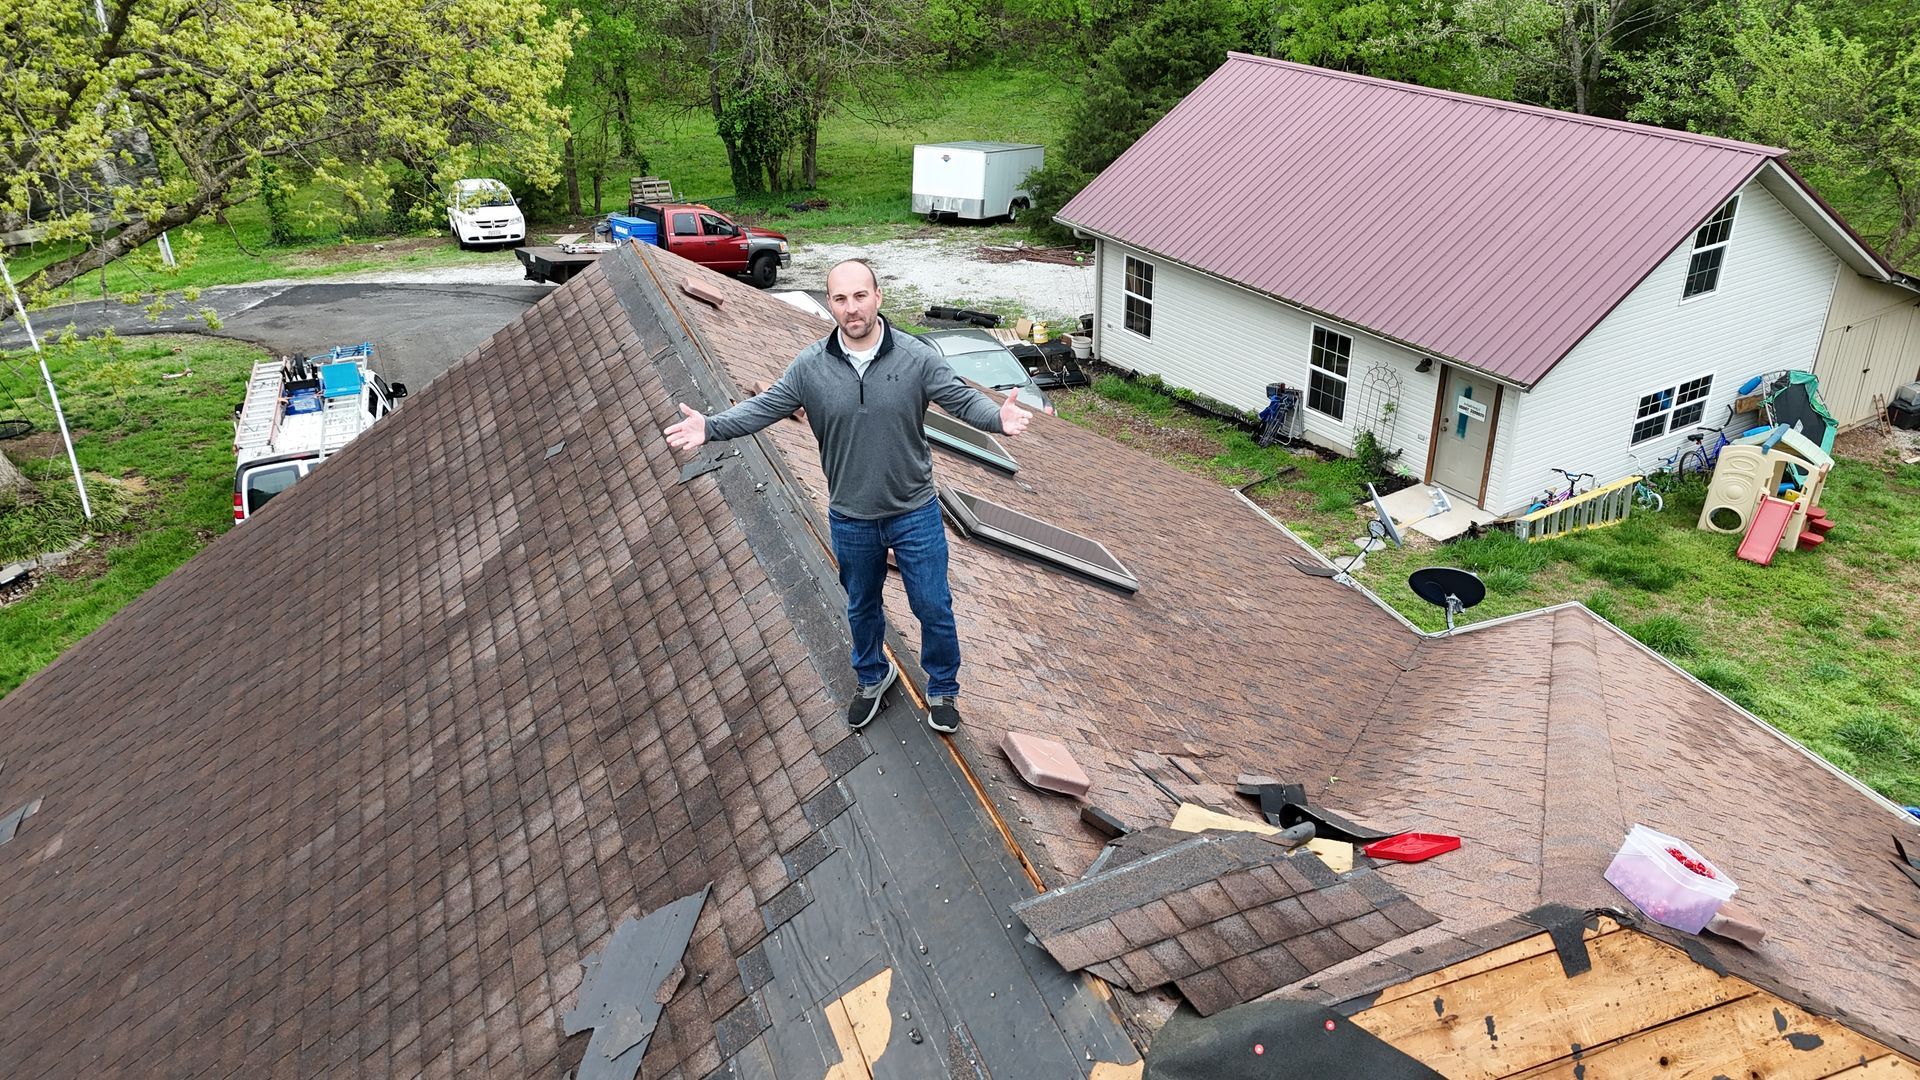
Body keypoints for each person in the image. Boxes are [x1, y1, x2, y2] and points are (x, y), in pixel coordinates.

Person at [664, 259, 1030, 733]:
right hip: (852, 518)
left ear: (878, 298)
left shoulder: (916, 358)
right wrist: (711, 427)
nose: (851, 308)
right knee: (861, 605)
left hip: (914, 512)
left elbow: (960, 398)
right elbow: (763, 408)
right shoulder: (810, 367)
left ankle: (942, 688)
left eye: (860, 296)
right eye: (840, 299)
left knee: (933, 605)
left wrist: (996, 419)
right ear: (830, 304)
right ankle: (872, 678)